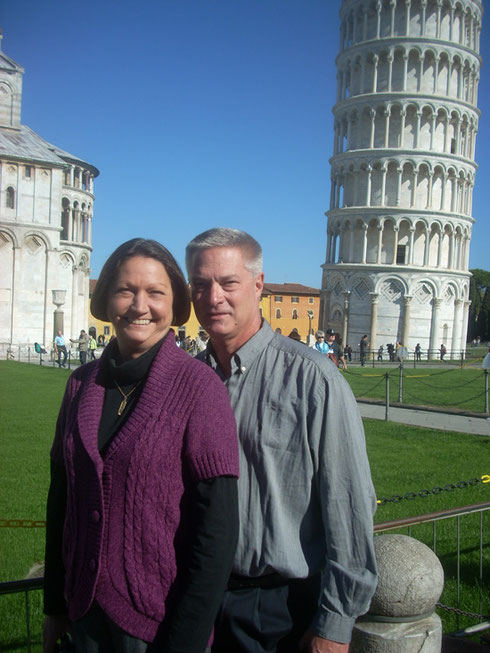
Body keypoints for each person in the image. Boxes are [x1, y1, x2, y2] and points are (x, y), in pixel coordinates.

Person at [43, 238, 240, 653]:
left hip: (158, 624)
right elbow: (61, 499)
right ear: (107, 299)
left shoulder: (200, 387)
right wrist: (53, 605)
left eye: (155, 292)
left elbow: (216, 532)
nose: (139, 306)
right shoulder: (79, 384)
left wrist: (185, 641)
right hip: (82, 614)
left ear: (175, 305)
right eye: (125, 290)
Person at [186, 228, 377, 653]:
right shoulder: (189, 381)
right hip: (195, 599)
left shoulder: (313, 379)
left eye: (227, 282)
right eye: (200, 284)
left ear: (258, 285)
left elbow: (348, 502)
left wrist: (336, 623)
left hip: (278, 607)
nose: (213, 296)